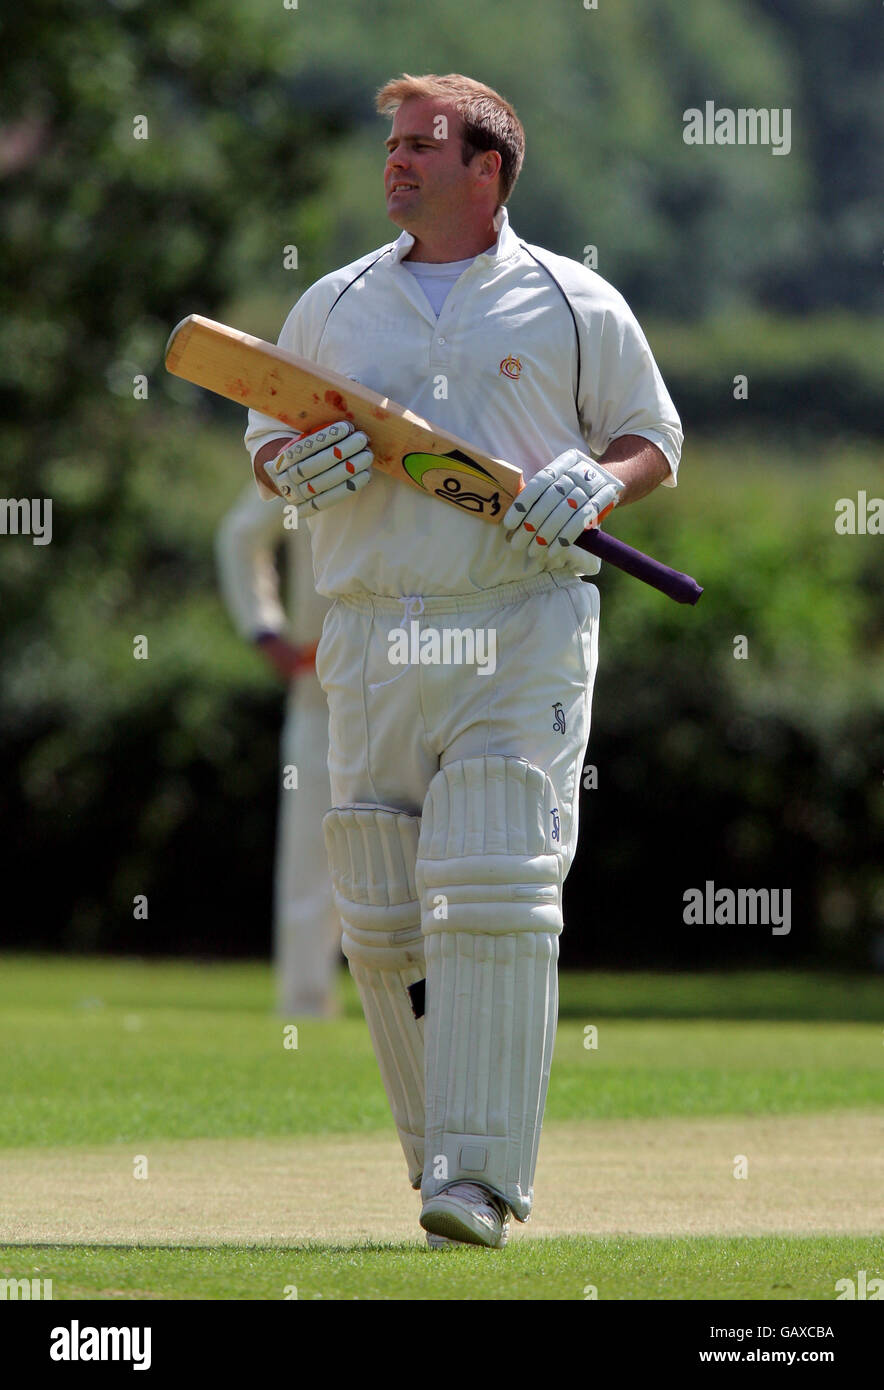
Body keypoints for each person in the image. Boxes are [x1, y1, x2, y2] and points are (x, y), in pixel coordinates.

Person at [244, 73, 682, 1248]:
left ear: (485, 166)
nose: (393, 162)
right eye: (389, 144)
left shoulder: (571, 299)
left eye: (419, 145)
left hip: (519, 620)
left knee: (492, 884)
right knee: (382, 911)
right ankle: (437, 1167)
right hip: (372, 626)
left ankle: (481, 1183)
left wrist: (601, 477)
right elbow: (264, 436)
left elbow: (653, 436)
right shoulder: (333, 304)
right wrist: (291, 469)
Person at [216, 485, 341, 1017]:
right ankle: (306, 1006)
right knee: (313, 863)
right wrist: (264, 629)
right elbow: (241, 535)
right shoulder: (311, 443)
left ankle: (429, 1008)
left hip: (430, 684)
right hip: (322, 689)